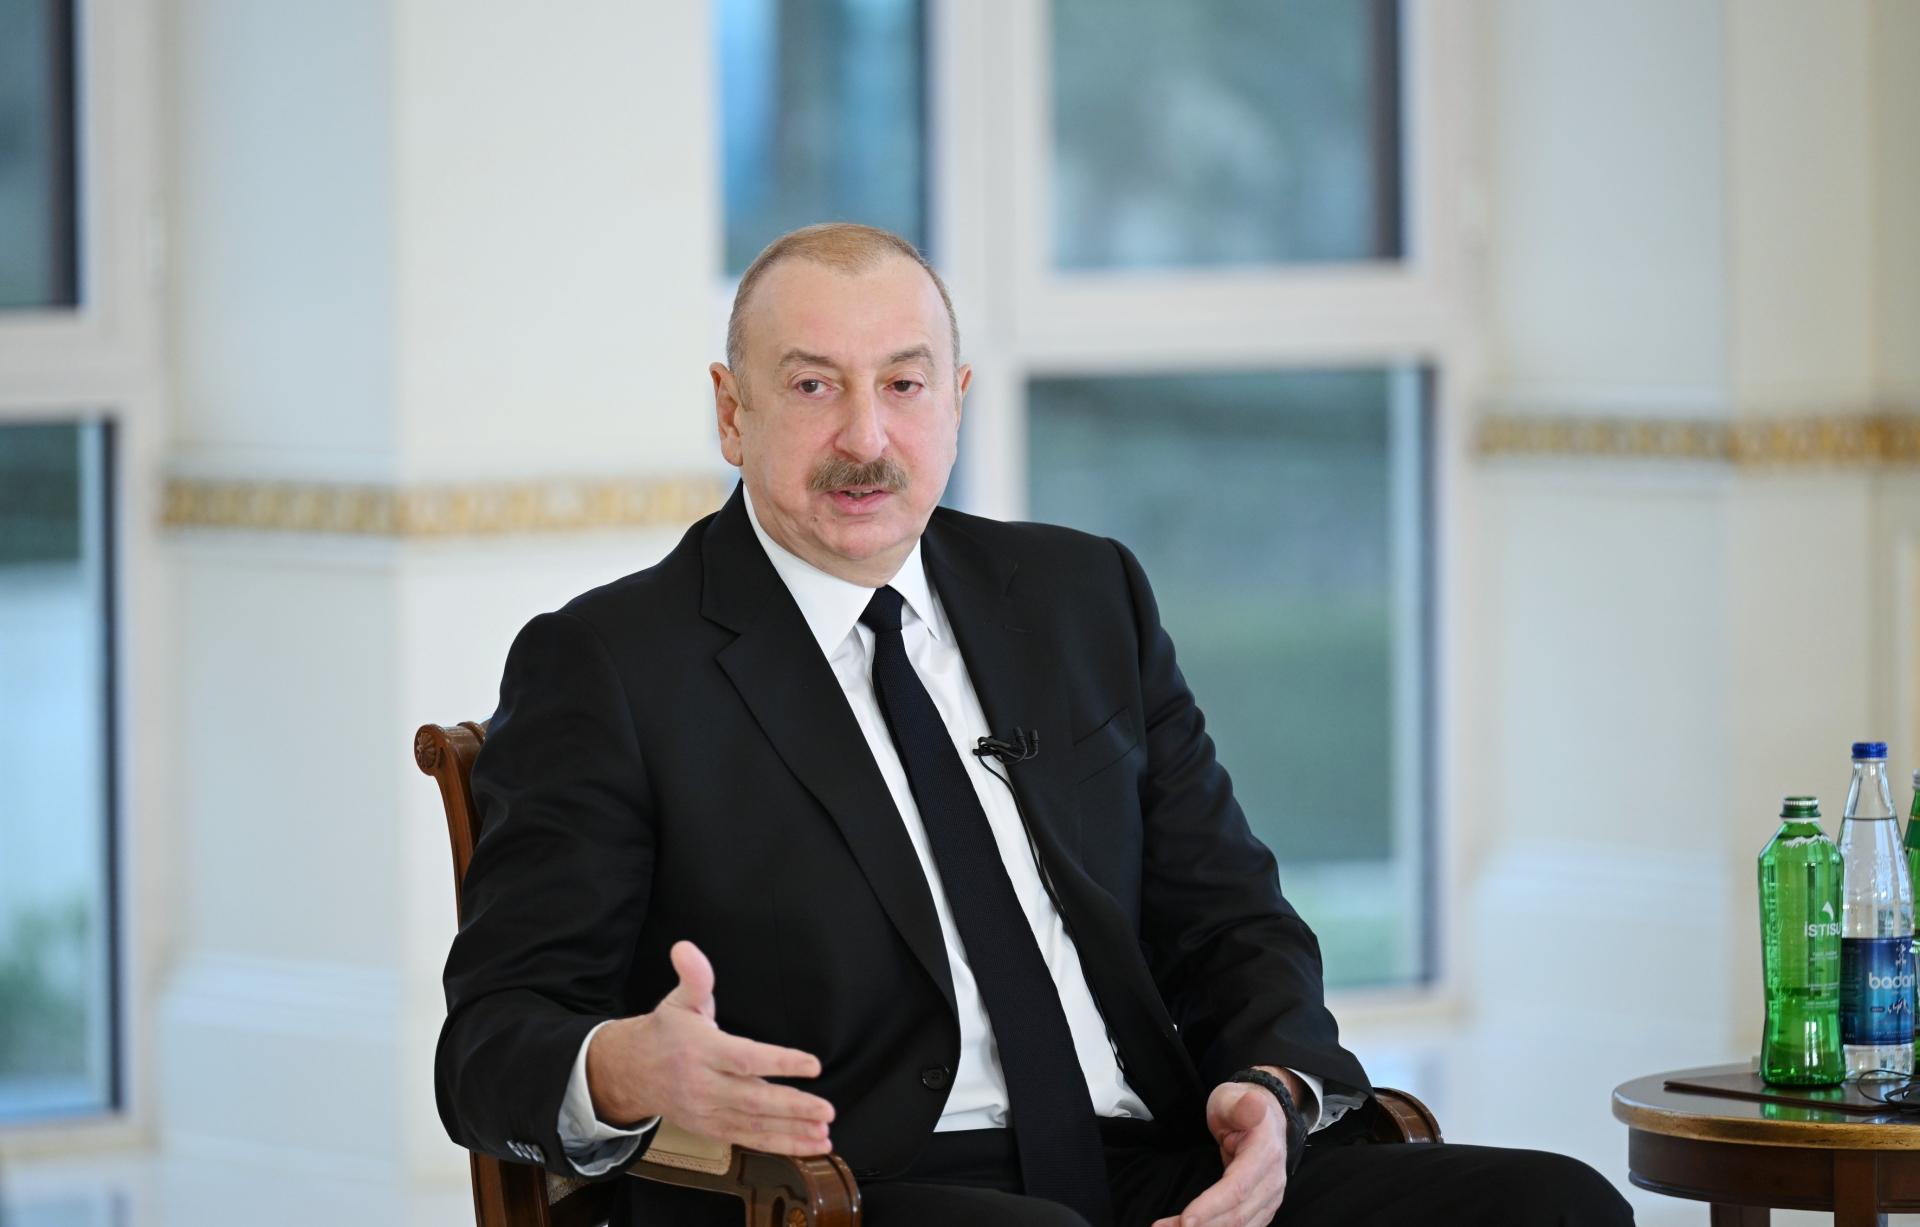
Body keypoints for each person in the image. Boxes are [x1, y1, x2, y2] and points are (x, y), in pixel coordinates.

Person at [436, 223, 1633, 1227]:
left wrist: (1270, 1086)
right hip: (846, 1193)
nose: (866, 438)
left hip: (1155, 1164)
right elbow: (488, 1044)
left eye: (904, 385)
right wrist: (621, 1068)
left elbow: (1231, 918)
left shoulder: (1080, 596)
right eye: (812, 387)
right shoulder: (610, 664)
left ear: (954, 401)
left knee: (1553, 1207)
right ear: (730, 411)